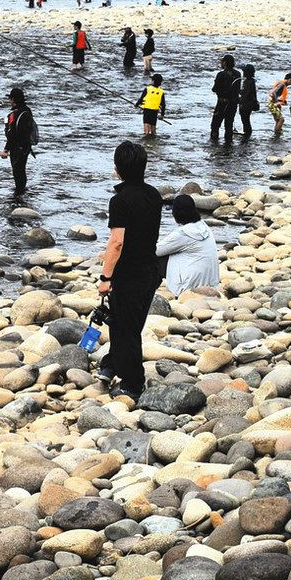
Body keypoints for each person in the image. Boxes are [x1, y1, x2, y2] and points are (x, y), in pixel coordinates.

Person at [96, 141, 162, 400]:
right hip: (150, 270)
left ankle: (133, 383)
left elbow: (117, 242)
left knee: (126, 327)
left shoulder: (120, 200)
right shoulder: (153, 195)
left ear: (118, 168)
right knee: (128, 323)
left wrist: (105, 277)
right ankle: (112, 363)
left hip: (129, 274)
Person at [156, 195, 220, 296]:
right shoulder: (203, 226)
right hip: (210, 283)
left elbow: (156, 250)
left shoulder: (183, 233)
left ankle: (146, 293)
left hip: (189, 288)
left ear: (176, 213)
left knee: (154, 259)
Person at [0, 87, 35, 195]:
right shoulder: (27, 110)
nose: (9, 101)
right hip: (26, 147)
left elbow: (11, 134)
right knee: (22, 170)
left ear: (13, 99)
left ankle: (18, 194)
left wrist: (6, 150)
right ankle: (22, 192)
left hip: (16, 148)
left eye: (10, 99)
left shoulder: (13, 115)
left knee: (17, 171)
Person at [210, 54, 242, 143]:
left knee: (215, 125)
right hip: (233, 103)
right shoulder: (238, 74)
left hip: (222, 103)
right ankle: (228, 145)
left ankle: (214, 144)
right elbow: (238, 89)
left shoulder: (221, 74)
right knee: (229, 125)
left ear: (225, 63)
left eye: (222, 61)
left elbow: (215, 89)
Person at [237, 64, 259, 139]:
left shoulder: (248, 82)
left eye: (244, 71)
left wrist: (240, 102)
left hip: (246, 105)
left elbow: (246, 94)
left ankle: (246, 135)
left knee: (245, 120)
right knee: (246, 120)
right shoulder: (251, 81)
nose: (243, 72)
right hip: (248, 104)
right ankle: (247, 135)